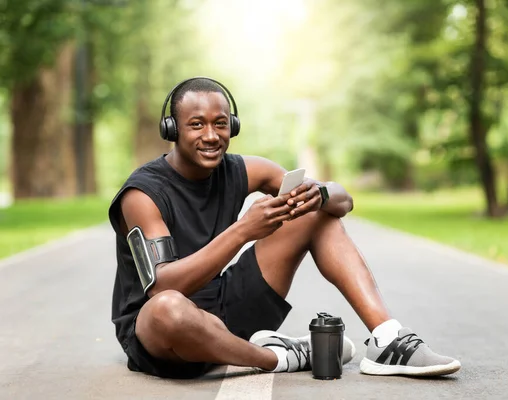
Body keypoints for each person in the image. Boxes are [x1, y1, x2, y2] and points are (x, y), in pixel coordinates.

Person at [108, 77, 461, 379]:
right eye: (196, 124)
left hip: (225, 311)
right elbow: (163, 287)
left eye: (220, 123)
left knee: (314, 213)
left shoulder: (244, 169)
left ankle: (387, 339)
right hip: (164, 336)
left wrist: (318, 194)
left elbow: (343, 200)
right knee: (170, 307)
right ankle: (281, 357)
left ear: (233, 125)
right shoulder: (143, 194)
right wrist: (244, 230)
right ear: (172, 129)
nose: (212, 135)